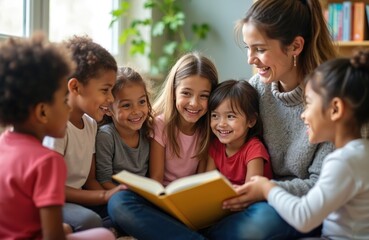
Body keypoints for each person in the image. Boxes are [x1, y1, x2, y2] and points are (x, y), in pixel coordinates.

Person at [204, 0, 340, 239]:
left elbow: (323, 187)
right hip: (261, 198)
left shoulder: (334, 102)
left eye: (260, 49)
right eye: (247, 48)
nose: (250, 59)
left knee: (262, 222)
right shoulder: (257, 88)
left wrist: (267, 190)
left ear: (295, 46)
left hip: (304, 205)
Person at [0, 34, 115, 240]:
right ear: (42, 112)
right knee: (104, 235)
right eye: (64, 101)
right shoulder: (47, 160)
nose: (67, 106)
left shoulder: (4, 143)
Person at [248, 50, 369, 239]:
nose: (303, 114)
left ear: (335, 109)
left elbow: (304, 217)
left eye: (309, 103)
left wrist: (267, 189)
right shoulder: (361, 153)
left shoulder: (343, 162)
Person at [108, 52, 218, 239]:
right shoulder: (161, 125)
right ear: (174, 91)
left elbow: (200, 180)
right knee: (119, 202)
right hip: (161, 202)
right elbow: (156, 178)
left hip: (190, 205)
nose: (194, 103)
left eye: (204, 96)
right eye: (186, 93)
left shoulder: (209, 130)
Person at [43, 35, 124, 232]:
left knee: (123, 210)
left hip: (78, 199)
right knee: (89, 220)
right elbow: (54, 189)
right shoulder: (56, 129)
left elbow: (89, 180)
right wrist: (104, 197)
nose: (111, 98)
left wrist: (115, 197)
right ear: (75, 87)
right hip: (51, 202)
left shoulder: (90, 124)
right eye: (105, 90)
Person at [96, 66, 154, 190]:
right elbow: (104, 180)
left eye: (142, 102)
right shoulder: (106, 136)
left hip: (144, 194)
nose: (136, 111)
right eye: (126, 105)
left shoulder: (148, 131)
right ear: (108, 109)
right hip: (117, 194)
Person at [206, 79, 272, 185]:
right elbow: (208, 183)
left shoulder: (254, 150)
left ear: (251, 121)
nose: (221, 124)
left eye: (230, 116)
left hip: (256, 197)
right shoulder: (215, 146)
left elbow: (251, 191)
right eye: (215, 116)